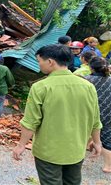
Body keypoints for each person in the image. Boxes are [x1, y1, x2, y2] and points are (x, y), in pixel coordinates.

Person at [12, 44, 102, 184]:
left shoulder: (41, 87)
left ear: (50, 62)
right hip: (76, 150)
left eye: (39, 61)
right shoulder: (88, 86)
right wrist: (97, 142)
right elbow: (95, 118)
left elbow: (30, 122)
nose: (39, 64)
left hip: (49, 152)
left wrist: (21, 145)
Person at [85, 57, 111, 173]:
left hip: (89, 111)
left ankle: (87, 148)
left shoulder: (86, 80)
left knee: (84, 131)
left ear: (90, 67)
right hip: (108, 112)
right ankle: (108, 166)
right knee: (107, 138)